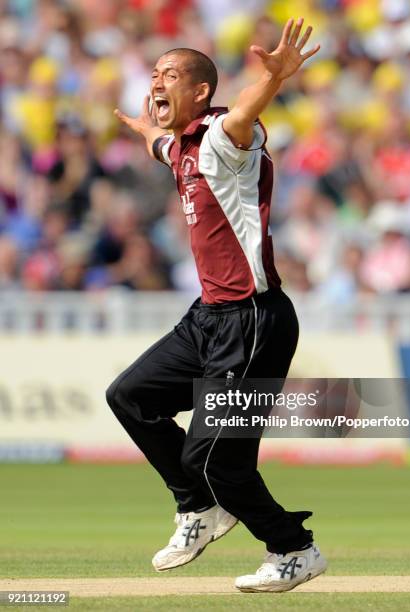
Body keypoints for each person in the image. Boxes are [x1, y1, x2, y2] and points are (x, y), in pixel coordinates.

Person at [107, 17, 327, 593]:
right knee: (130, 396)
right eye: (154, 74)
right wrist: (139, 128)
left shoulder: (225, 138)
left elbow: (242, 114)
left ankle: (293, 549)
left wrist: (272, 79)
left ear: (200, 91)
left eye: (170, 75)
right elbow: (161, 147)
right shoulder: (179, 145)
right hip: (207, 317)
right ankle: (200, 509)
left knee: (214, 460)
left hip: (253, 321)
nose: (157, 83)